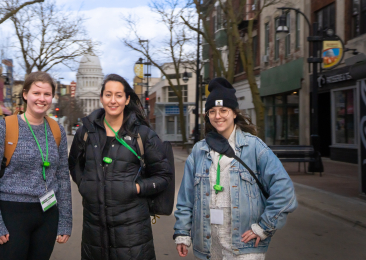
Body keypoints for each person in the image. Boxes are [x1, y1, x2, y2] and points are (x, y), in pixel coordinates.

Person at [173, 77, 297, 260]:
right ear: (207, 115)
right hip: (209, 249)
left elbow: (285, 192)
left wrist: (263, 227)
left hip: (244, 250)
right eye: (212, 111)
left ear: (234, 113)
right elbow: (186, 197)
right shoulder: (199, 151)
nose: (218, 116)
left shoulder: (254, 148)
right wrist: (182, 232)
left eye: (224, 110)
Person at [68, 74, 172, 260]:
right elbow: (75, 164)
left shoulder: (142, 135)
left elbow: (164, 176)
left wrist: (137, 188)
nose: (113, 100)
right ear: (101, 98)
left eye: (118, 95)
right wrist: (86, 186)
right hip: (95, 229)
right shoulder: (85, 132)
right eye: (108, 95)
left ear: (127, 99)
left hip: (132, 231)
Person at [0, 71, 72, 260]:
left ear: (52, 97)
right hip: (12, 213)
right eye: (36, 93)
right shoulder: (4, 128)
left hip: (47, 214)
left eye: (47, 94)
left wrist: (65, 221)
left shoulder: (57, 130)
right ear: (25, 94)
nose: (41, 98)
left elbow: (63, 176)